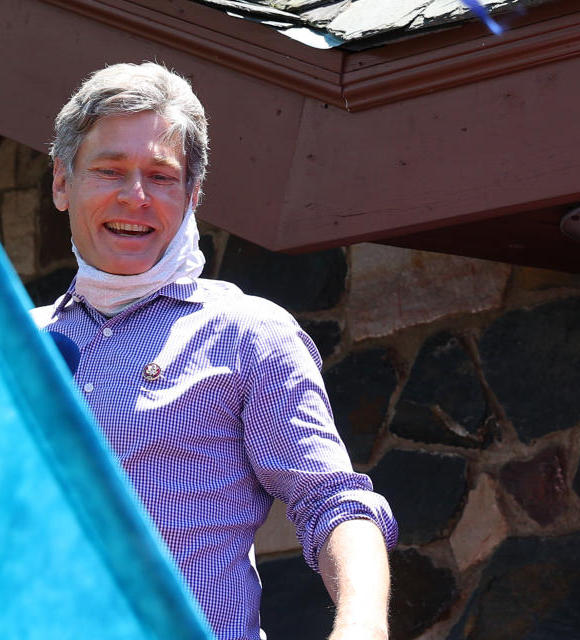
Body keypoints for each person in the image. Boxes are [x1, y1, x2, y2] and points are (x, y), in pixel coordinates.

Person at [31, 62, 398, 640]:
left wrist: (361, 624)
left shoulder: (247, 334)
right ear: (61, 182)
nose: (136, 197)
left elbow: (334, 504)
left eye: (161, 176)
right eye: (109, 171)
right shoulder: (7, 348)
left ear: (194, 193)